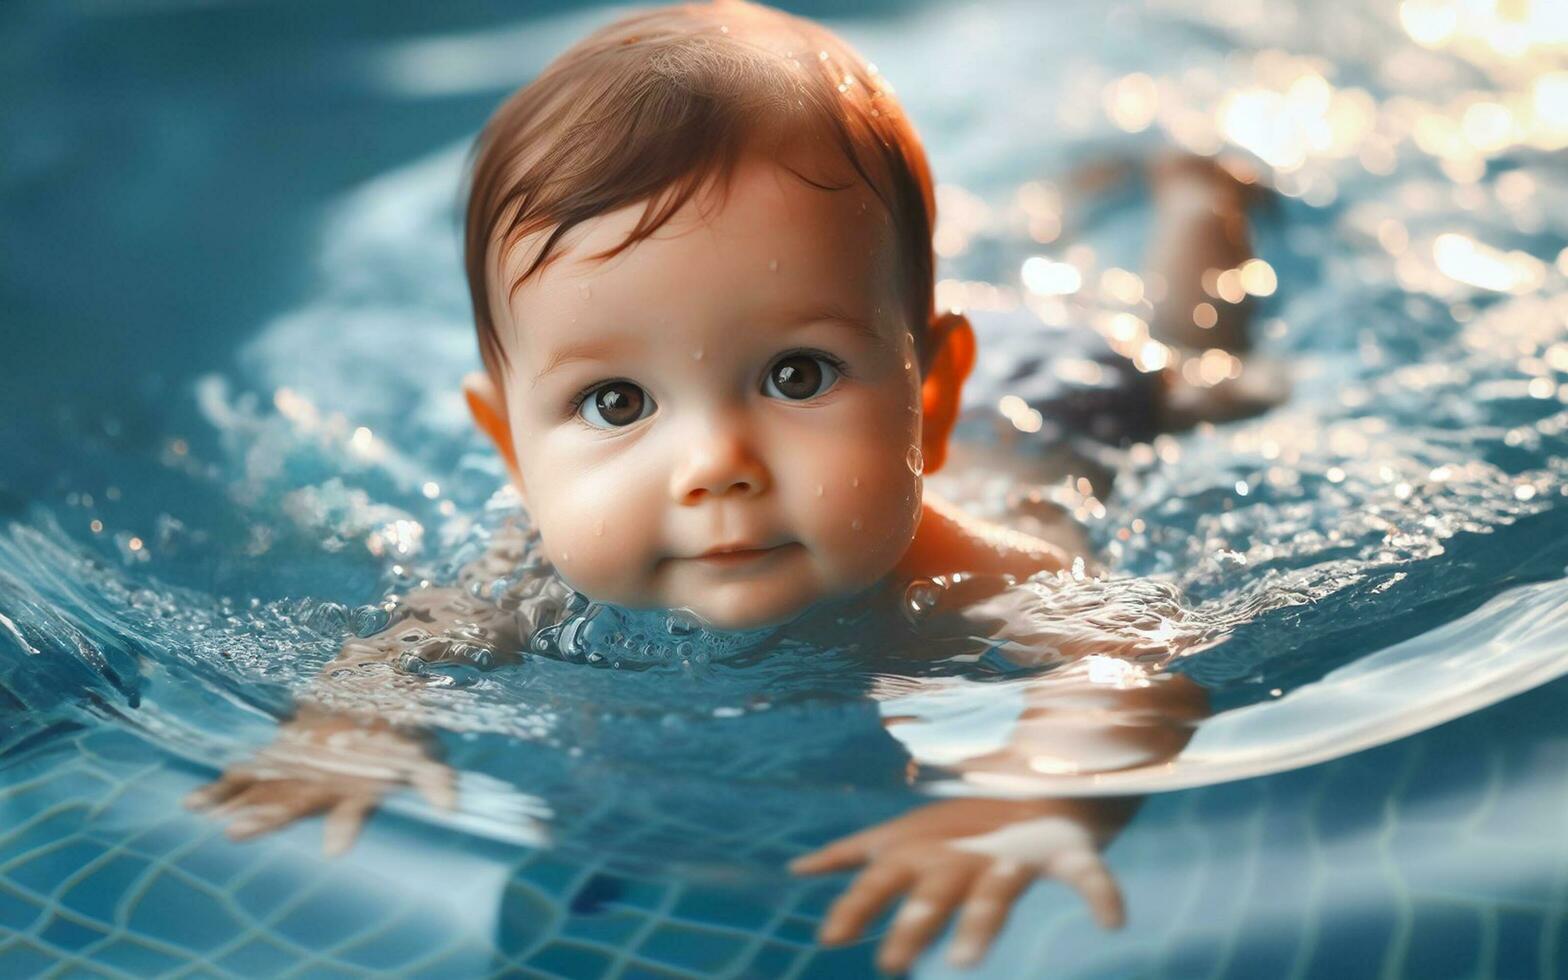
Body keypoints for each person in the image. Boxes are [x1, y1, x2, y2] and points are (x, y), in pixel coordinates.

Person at [187, 1, 1276, 971]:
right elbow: (412, 641)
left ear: (925, 402)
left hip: (1064, 397)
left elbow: (1125, 655)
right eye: (617, 402)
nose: (716, 465)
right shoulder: (525, 568)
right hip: (925, 340)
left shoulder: (959, 569)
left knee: (1197, 370)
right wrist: (352, 721)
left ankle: (1196, 194)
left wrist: (1030, 790)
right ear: (513, 451)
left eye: (795, 376)